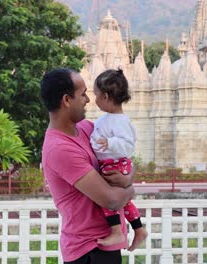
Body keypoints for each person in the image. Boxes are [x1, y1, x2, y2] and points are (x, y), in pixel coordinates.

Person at [40, 68, 134, 263]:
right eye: (82, 94)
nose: (88, 100)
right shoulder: (60, 148)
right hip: (89, 250)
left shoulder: (88, 129)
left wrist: (127, 178)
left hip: (105, 246)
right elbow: (112, 201)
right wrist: (130, 189)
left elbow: (125, 158)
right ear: (67, 100)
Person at [90, 69, 148, 250]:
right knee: (125, 201)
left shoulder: (122, 121)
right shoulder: (103, 120)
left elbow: (128, 146)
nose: (95, 99)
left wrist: (111, 143)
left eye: (96, 95)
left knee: (107, 199)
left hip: (116, 165)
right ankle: (139, 229)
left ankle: (117, 231)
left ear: (105, 96)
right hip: (108, 164)